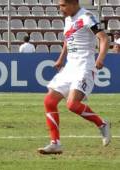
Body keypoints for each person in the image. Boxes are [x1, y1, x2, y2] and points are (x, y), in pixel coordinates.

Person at [38, 0, 111, 154]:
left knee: (72, 105)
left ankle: (102, 124)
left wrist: (100, 58)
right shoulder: (68, 19)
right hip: (70, 67)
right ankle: (55, 143)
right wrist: (61, 58)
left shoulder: (88, 16)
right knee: (49, 101)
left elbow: (104, 38)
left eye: (63, 5)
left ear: (74, 4)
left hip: (85, 66)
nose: (60, 9)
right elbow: (68, 40)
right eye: (60, 5)